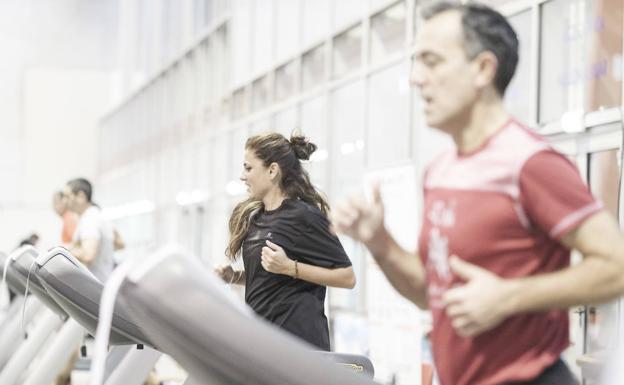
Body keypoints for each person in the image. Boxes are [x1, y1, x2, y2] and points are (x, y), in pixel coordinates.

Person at [332, 2, 624, 385]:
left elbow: (616, 266)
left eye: (432, 61)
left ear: (483, 69)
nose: (417, 78)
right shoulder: (440, 171)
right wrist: (379, 241)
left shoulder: (531, 162)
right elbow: (430, 295)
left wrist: (508, 297)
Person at [215, 132, 356, 351]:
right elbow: (269, 277)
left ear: (272, 171)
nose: (243, 176)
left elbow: (347, 277)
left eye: (248, 168)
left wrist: (291, 267)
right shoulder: (257, 218)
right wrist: (234, 276)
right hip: (263, 344)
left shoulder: (304, 216)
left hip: (299, 348)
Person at [64, 178, 115, 282]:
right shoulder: (92, 216)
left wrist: (64, 250)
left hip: (96, 285)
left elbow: (88, 255)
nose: (65, 201)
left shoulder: (90, 219)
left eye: (67, 196)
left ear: (81, 196)